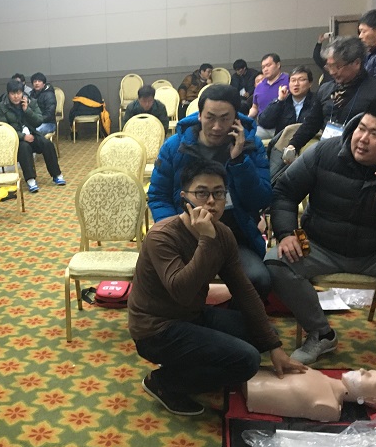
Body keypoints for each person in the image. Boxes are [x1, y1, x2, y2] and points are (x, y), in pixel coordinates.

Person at [265, 98, 376, 387]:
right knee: (275, 262)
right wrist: (287, 232)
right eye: (362, 128)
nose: (362, 139)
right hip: (323, 245)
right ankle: (322, 334)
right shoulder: (325, 151)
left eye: (375, 134)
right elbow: (285, 191)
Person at [130, 159, 304, 416]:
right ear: (184, 198)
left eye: (219, 193)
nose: (211, 201)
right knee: (248, 360)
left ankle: (186, 363)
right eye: (201, 193)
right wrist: (206, 240)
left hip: (192, 315)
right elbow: (182, 291)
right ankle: (164, 382)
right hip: (156, 329)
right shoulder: (162, 236)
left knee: (263, 336)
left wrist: (274, 346)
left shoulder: (222, 234)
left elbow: (243, 290)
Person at [148, 84, 273, 300]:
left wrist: (239, 160)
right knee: (167, 282)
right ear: (199, 115)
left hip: (234, 236)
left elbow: (260, 199)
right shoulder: (175, 146)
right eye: (210, 117)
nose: (216, 126)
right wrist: (174, 232)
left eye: (225, 119)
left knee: (259, 280)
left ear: (236, 118)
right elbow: (158, 196)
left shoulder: (251, 146)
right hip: (186, 233)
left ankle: (231, 318)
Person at [282, 36, 376, 164]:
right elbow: (312, 123)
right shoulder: (326, 89)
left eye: (337, 66)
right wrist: (293, 144)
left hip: (358, 159)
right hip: (327, 153)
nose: (332, 72)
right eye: (329, 66)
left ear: (356, 63)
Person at [245, 368, 376, 422]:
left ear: (369, 399)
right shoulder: (321, 377)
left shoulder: (328, 406)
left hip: (249, 388)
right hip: (248, 373)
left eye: (370, 378)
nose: (362, 370)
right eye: (369, 371)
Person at [0, 80, 66, 193]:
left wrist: (27, 110)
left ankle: (57, 174)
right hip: (15, 139)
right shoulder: (2, 107)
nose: (16, 96)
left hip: (32, 134)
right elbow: (3, 129)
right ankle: (30, 179)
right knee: (24, 147)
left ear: (22, 93)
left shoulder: (31, 102)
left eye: (19, 93)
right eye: (13, 94)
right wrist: (23, 136)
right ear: (8, 94)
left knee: (47, 144)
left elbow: (39, 121)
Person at [258, 66, 316, 140]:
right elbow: (264, 122)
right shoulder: (283, 101)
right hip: (283, 142)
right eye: (293, 80)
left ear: (310, 83)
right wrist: (279, 100)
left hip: (308, 141)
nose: (296, 84)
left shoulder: (316, 101)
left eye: (301, 80)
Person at [249, 53, 290, 136]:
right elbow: (255, 107)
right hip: (263, 127)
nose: (265, 69)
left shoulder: (289, 80)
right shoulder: (259, 86)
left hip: (284, 127)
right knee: (247, 138)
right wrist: (248, 118)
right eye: (263, 67)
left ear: (278, 65)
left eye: (268, 65)